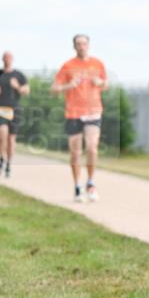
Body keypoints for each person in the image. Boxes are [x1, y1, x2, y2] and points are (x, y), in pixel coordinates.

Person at [52, 34, 108, 202]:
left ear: (88, 45)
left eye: (84, 43)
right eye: (78, 44)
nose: (81, 46)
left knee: (92, 147)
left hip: (93, 111)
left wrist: (100, 83)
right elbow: (54, 89)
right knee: (75, 153)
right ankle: (77, 186)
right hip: (73, 113)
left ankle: (90, 183)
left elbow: (106, 85)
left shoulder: (98, 63)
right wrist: (70, 85)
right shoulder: (67, 66)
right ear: (74, 46)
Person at [0, 51, 30, 178]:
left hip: (15, 109)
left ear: (13, 59)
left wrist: (17, 87)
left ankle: (9, 163)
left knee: (11, 139)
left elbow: (26, 90)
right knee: (2, 133)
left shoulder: (18, 75)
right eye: (5, 57)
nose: (7, 59)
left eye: (10, 57)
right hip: (0, 108)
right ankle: (1, 158)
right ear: (2, 59)